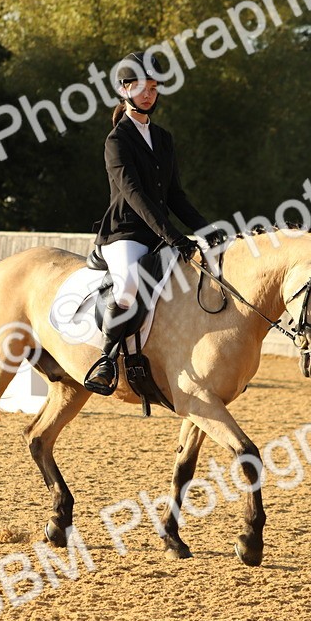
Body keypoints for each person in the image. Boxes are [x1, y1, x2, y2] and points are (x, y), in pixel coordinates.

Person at [82, 51, 226, 395]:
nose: (148, 94)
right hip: (126, 233)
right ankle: (105, 358)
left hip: (160, 234)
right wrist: (176, 236)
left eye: (154, 87)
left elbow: (174, 195)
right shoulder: (116, 141)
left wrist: (206, 229)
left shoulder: (163, 138)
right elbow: (135, 195)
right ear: (124, 90)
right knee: (129, 284)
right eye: (141, 87)